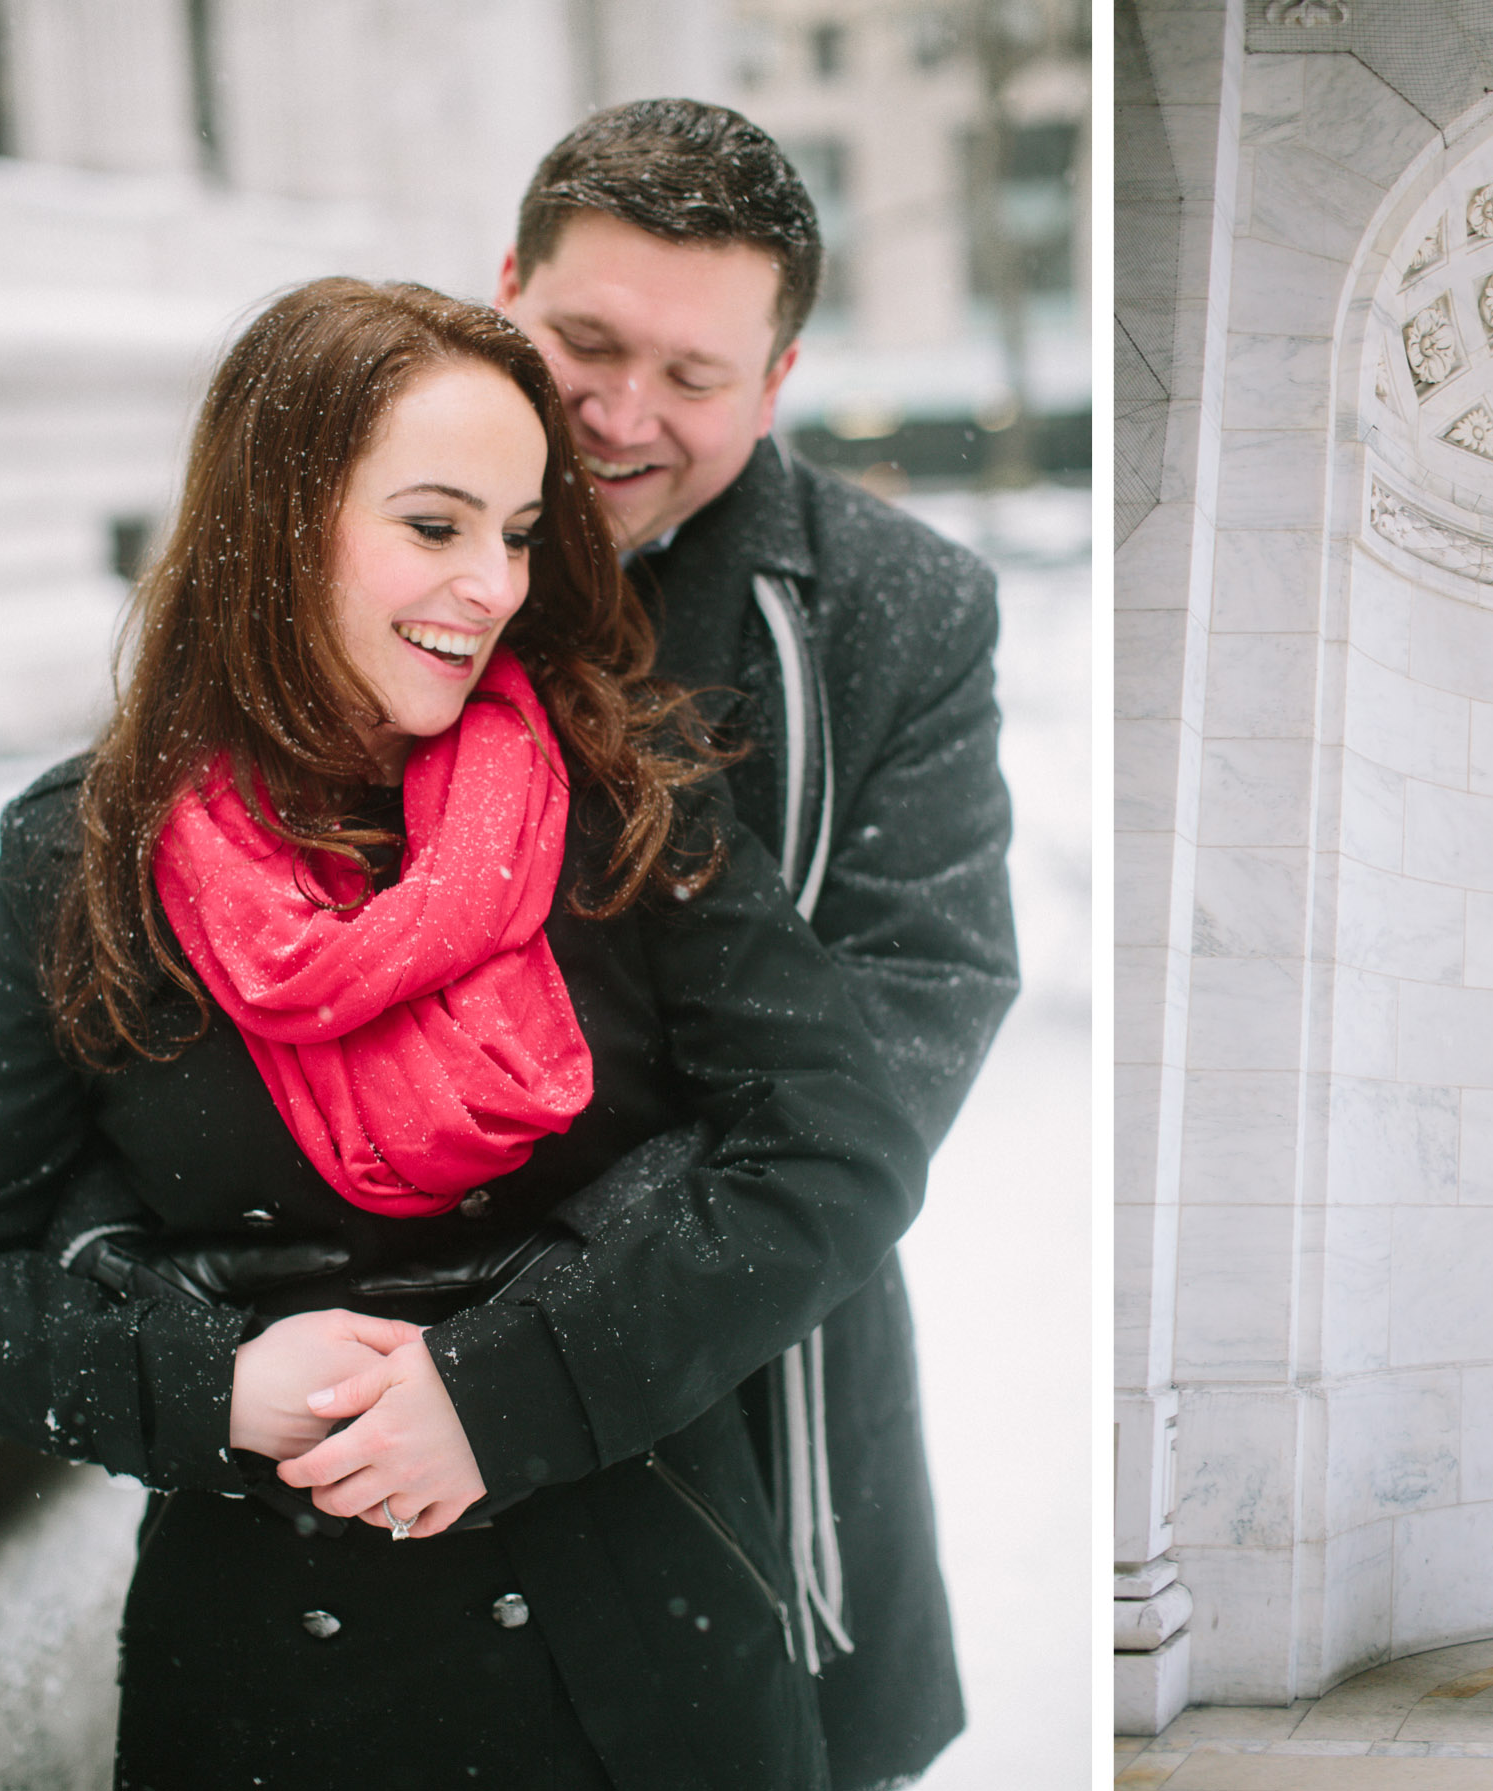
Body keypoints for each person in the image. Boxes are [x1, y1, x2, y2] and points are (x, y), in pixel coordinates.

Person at [0, 279, 927, 1788]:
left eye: (515, 533)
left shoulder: (621, 796)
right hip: (268, 1662)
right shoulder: (88, 850)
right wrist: (218, 1380)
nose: (493, 583)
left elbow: (839, 1145)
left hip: (640, 1634)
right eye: (435, 526)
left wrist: (504, 1388)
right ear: (278, 516)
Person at [493, 99, 1017, 1785]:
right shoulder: (349, 536)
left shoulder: (899, 609)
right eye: (581, 340)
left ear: (779, 379)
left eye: (695, 376)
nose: (620, 414)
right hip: (373, 1434)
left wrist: (541, 1320)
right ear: (504, 288)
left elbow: (910, 1018)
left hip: (746, 1387)